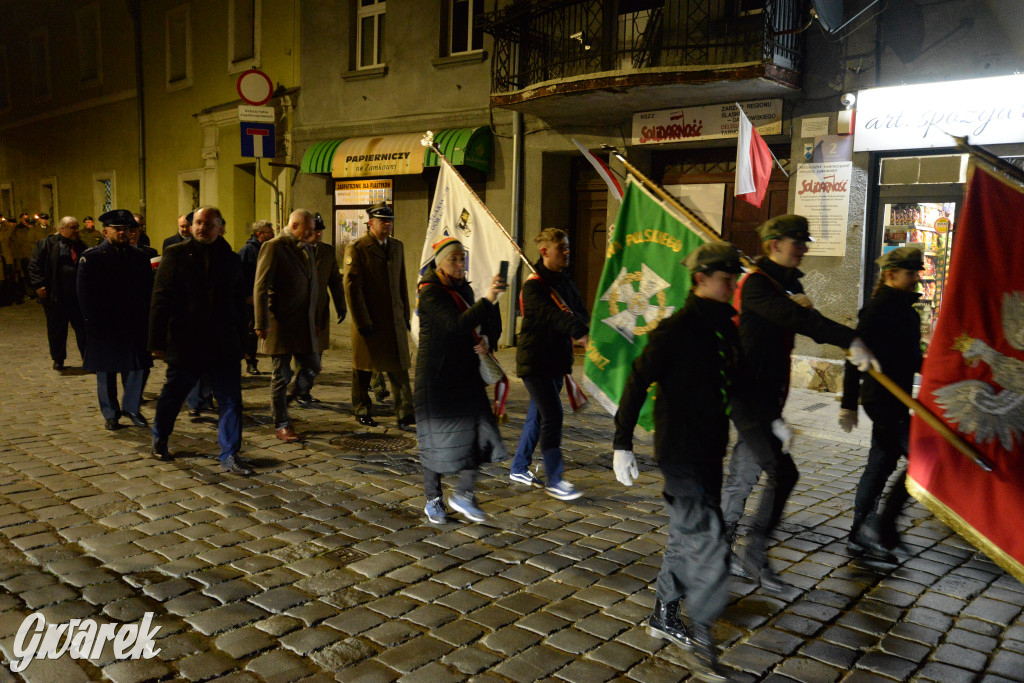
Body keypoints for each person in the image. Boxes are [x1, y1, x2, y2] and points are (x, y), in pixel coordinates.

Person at [721, 214, 879, 591]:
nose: (805, 248)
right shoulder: (759, 287)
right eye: (798, 241)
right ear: (774, 244)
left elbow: (802, 316)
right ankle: (753, 555)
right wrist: (851, 339)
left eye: (805, 241)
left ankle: (722, 551)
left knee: (743, 476)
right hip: (749, 398)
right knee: (783, 473)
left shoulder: (781, 285)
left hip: (767, 401)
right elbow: (799, 320)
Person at [613, 242, 747, 683]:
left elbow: (736, 386)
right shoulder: (676, 329)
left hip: (710, 451)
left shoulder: (726, 329)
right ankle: (706, 643)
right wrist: (622, 443)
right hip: (680, 454)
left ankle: (664, 613)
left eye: (734, 279)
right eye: (725, 279)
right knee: (709, 542)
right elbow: (636, 379)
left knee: (687, 535)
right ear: (700, 279)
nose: (731, 286)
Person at [149, 206, 251, 473]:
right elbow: (160, 298)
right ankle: (160, 437)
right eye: (197, 223)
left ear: (221, 227)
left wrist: (243, 341)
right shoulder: (176, 254)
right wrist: (156, 342)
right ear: (191, 226)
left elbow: (239, 303)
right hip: (187, 340)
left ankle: (230, 453)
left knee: (230, 400)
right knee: (174, 394)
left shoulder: (230, 258)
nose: (201, 227)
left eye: (208, 223)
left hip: (223, 342)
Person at [840, 247, 924, 562]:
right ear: (891, 275)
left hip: (899, 399)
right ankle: (880, 529)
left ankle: (860, 534)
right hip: (882, 399)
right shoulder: (876, 311)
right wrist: (848, 403)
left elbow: (912, 358)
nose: (916, 278)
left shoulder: (908, 312)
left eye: (917, 272)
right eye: (910, 273)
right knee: (923, 459)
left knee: (880, 464)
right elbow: (853, 356)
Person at [416, 237, 507, 524]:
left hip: (466, 372)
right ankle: (433, 500)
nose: (459, 264)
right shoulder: (430, 292)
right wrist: (488, 299)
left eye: (461, 258)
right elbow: (456, 325)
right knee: (435, 441)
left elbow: (483, 323)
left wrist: (487, 339)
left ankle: (464, 494)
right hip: (437, 377)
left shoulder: (463, 287)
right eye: (453, 259)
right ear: (439, 264)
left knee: (481, 431)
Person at [510, 228, 589, 501]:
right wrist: (579, 333)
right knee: (553, 416)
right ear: (545, 252)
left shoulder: (565, 283)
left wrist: (590, 330)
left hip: (556, 362)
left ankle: (519, 467)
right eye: (561, 249)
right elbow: (552, 316)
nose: (567, 253)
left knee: (539, 415)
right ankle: (555, 479)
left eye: (567, 248)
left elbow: (579, 313)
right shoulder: (533, 287)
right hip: (535, 363)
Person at [77, 210, 154, 430]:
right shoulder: (91, 257)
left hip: (134, 323)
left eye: (126, 229)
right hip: (105, 324)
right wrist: (92, 323)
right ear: (105, 231)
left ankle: (132, 408)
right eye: (117, 229)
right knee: (106, 371)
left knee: (137, 368)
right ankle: (111, 413)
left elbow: (147, 291)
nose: (123, 233)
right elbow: (84, 294)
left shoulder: (139, 257)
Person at [253, 209, 322, 442]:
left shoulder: (307, 248)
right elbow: (260, 287)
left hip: (304, 324)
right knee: (281, 374)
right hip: (280, 324)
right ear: (295, 226)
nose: (312, 234)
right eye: (308, 230)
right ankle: (281, 423)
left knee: (313, 366)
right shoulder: (274, 246)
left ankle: (285, 401)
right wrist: (261, 322)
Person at [344, 202, 414, 428]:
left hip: (393, 319)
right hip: (369, 320)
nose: (387, 225)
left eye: (390, 221)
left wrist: (404, 314)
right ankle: (362, 408)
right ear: (370, 223)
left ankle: (405, 412)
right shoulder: (357, 248)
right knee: (363, 370)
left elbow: (401, 281)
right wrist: (362, 321)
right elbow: (352, 289)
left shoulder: (396, 246)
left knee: (399, 367)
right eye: (383, 221)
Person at [293, 213, 346, 404]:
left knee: (316, 353)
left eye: (320, 231)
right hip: (297, 311)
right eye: (315, 230)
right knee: (302, 351)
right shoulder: (294, 250)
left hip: (319, 311)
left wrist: (341, 304)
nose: (318, 234)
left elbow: (335, 280)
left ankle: (303, 390)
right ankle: (298, 389)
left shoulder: (327, 251)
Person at [28, 216, 88, 371]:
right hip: (56, 295)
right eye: (72, 227)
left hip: (76, 296)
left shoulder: (81, 246)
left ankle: (88, 359)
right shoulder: (47, 245)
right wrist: (39, 285)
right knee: (57, 330)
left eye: (76, 227)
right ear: (62, 229)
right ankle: (58, 358)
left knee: (83, 330)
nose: (76, 230)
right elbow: (35, 265)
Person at [239, 220, 275, 375]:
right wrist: (247, 295)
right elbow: (241, 275)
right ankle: (251, 362)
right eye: (269, 231)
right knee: (252, 331)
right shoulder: (248, 250)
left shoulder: (271, 248)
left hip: (269, 296)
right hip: (252, 298)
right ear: (259, 234)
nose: (272, 233)